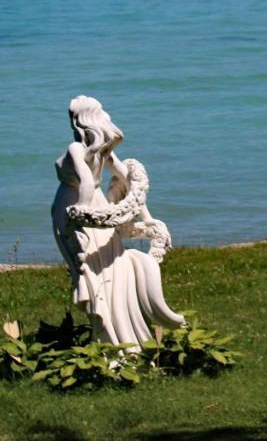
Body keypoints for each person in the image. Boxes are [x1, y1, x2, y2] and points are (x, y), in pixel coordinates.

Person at [50, 96, 185, 346]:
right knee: (107, 271)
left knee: (91, 273)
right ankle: (121, 337)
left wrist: (81, 213)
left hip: (76, 209)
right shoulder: (104, 152)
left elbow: (88, 182)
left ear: (80, 121)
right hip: (97, 206)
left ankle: (108, 340)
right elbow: (128, 181)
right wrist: (147, 217)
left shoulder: (77, 149)